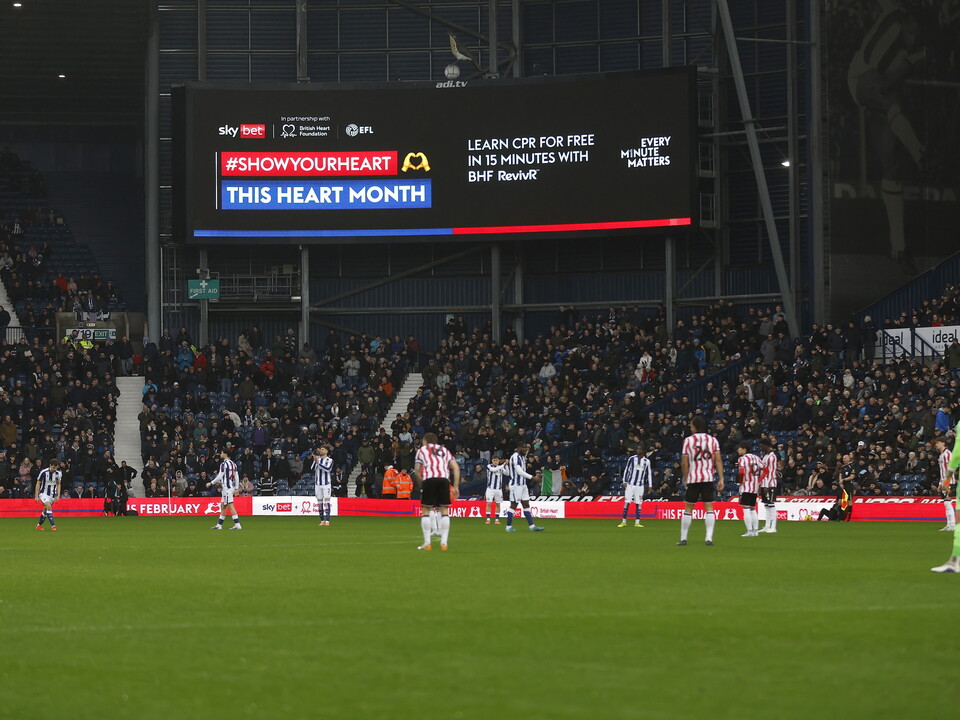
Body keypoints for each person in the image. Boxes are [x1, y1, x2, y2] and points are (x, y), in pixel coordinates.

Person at [677, 415, 724, 546]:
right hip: (708, 477)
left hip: (693, 478)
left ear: (696, 426)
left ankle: (683, 538)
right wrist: (721, 478)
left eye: (691, 425)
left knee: (688, 508)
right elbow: (718, 460)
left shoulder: (688, 441)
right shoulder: (713, 440)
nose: (690, 427)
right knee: (709, 507)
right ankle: (708, 538)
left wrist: (686, 479)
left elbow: (684, 463)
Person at [412, 432, 460, 551]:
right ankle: (444, 543)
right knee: (444, 510)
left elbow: (417, 470)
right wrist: (456, 486)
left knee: (425, 509)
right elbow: (456, 467)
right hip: (444, 479)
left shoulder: (422, 450)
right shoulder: (444, 450)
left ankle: (427, 543)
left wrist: (421, 485)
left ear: (425, 441)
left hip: (429, 479)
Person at [932, 422, 960, 572]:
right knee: (946, 503)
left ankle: (952, 525)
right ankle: (949, 524)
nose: (936, 445)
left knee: (948, 502)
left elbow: (951, 468)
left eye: (937, 443)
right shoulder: (942, 454)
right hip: (944, 481)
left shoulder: (948, 454)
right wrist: (940, 482)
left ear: (943, 443)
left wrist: (947, 482)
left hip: (949, 481)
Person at [504, 441, 545, 533]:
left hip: (523, 485)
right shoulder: (515, 457)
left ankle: (532, 526)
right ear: (518, 447)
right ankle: (508, 526)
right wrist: (533, 477)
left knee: (526, 504)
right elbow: (519, 471)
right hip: (516, 485)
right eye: (523, 447)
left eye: (526, 447)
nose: (525, 449)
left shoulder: (522, 457)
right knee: (514, 505)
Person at [207, 448, 242, 530]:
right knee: (223, 506)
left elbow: (219, 476)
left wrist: (211, 483)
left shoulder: (223, 464)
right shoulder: (234, 464)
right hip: (230, 487)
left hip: (226, 487)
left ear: (225, 454)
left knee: (230, 506)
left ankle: (237, 525)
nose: (220, 454)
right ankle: (219, 525)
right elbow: (236, 477)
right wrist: (236, 488)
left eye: (222, 452)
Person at [618, 443, 651, 528]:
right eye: (637, 449)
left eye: (640, 449)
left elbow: (649, 474)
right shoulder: (632, 459)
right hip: (630, 484)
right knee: (627, 502)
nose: (638, 450)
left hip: (640, 485)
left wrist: (650, 486)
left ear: (643, 451)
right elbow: (626, 470)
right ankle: (624, 521)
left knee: (638, 503)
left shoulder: (646, 461)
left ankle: (637, 522)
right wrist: (624, 481)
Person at [736, 442, 763, 537]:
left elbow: (742, 471)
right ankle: (755, 531)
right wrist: (759, 480)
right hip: (755, 487)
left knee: (746, 508)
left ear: (744, 449)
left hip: (746, 486)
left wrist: (740, 482)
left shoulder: (742, 459)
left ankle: (750, 531)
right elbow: (765, 469)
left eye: (739, 448)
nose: (738, 450)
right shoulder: (756, 458)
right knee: (752, 508)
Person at [758, 437, 780, 533]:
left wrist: (767, 485)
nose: (761, 448)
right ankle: (767, 526)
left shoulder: (772, 457)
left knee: (771, 504)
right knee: (766, 505)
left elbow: (771, 472)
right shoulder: (765, 456)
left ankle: (773, 527)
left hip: (770, 484)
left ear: (767, 446)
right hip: (765, 483)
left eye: (762, 446)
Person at [34, 459, 62, 531]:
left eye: (56, 468)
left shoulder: (58, 473)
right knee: (48, 506)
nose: (54, 469)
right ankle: (53, 525)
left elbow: (58, 484)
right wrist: (36, 496)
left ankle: (39, 525)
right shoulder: (43, 472)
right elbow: (38, 483)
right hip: (43, 494)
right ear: (50, 465)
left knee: (45, 510)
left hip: (52, 495)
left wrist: (58, 495)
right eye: (53, 467)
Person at [313, 445, 335, 526]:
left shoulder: (330, 460)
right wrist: (315, 461)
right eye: (320, 449)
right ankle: (322, 520)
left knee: (327, 501)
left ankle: (327, 521)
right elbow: (312, 468)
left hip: (326, 484)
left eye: (323, 449)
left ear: (326, 451)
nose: (321, 451)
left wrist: (319, 463)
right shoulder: (317, 459)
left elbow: (328, 469)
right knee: (319, 503)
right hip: (318, 484)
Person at [483, 454, 506, 524]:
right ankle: (488, 519)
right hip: (490, 489)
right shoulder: (489, 466)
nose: (495, 461)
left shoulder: (501, 468)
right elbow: (493, 470)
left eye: (497, 460)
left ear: (499, 461)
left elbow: (507, 473)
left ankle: (497, 520)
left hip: (498, 489)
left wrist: (506, 466)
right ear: (492, 461)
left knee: (498, 504)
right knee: (489, 503)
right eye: (494, 460)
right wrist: (503, 465)